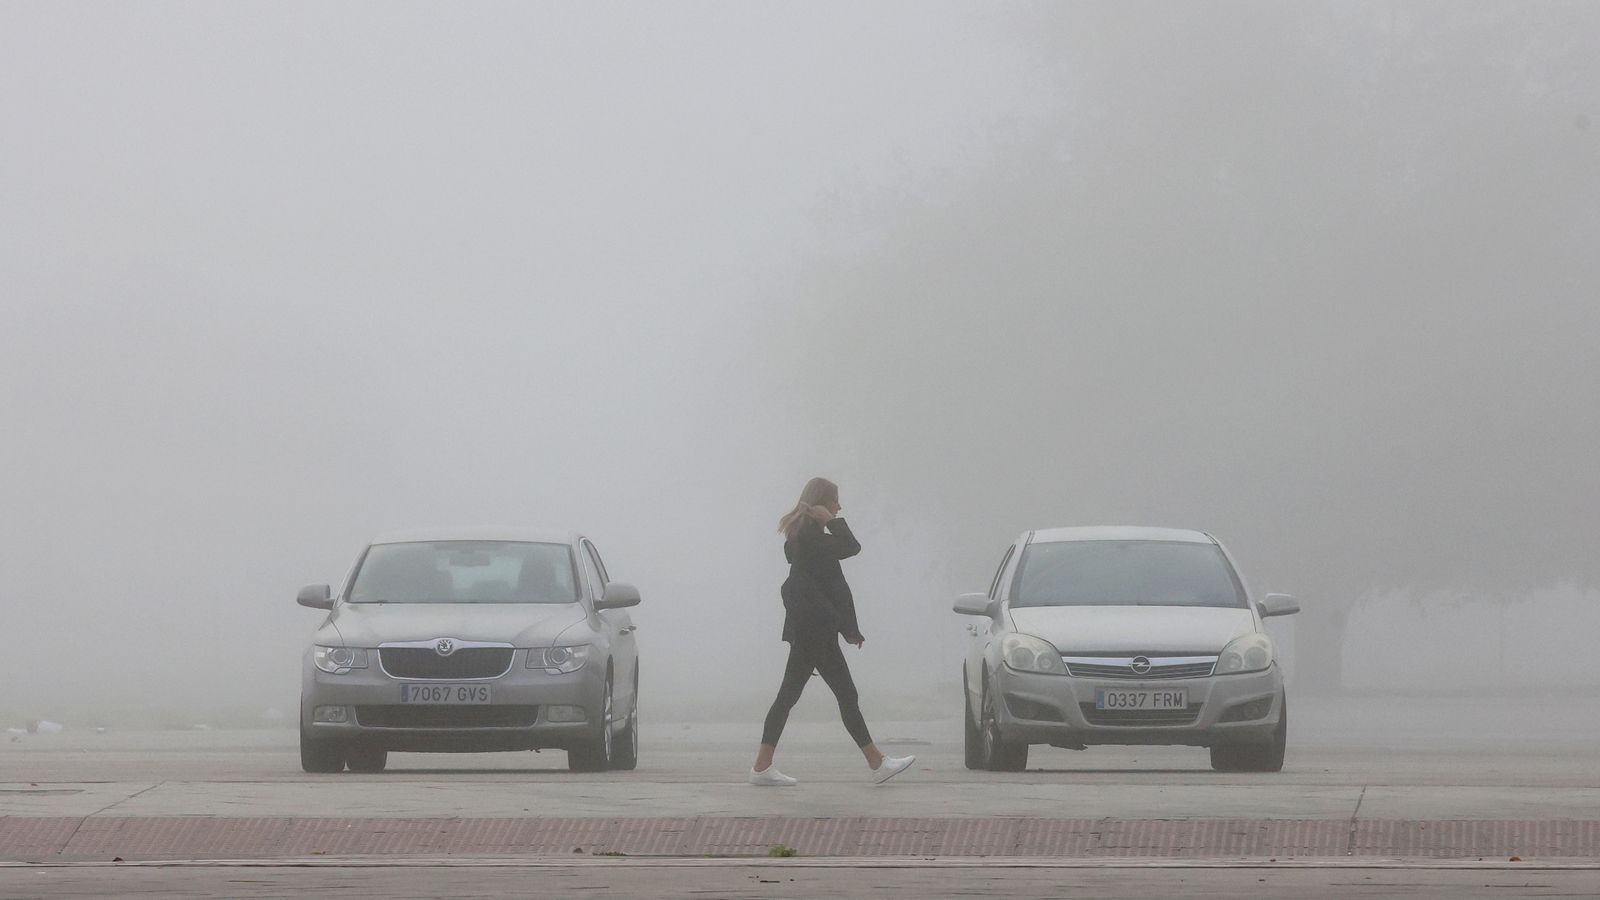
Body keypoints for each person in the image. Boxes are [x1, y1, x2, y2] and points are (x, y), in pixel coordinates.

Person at [750, 477, 915, 786]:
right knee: (838, 694)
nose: (840, 506)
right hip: (815, 628)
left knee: (794, 695)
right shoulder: (811, 536)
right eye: (835, 501)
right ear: (821, 503)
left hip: (814, 627)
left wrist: (849, 629)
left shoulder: (806, 536)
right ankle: (877, 763)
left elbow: (833, 586)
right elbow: (852, 548)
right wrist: (832, 522)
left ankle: (762, 766)